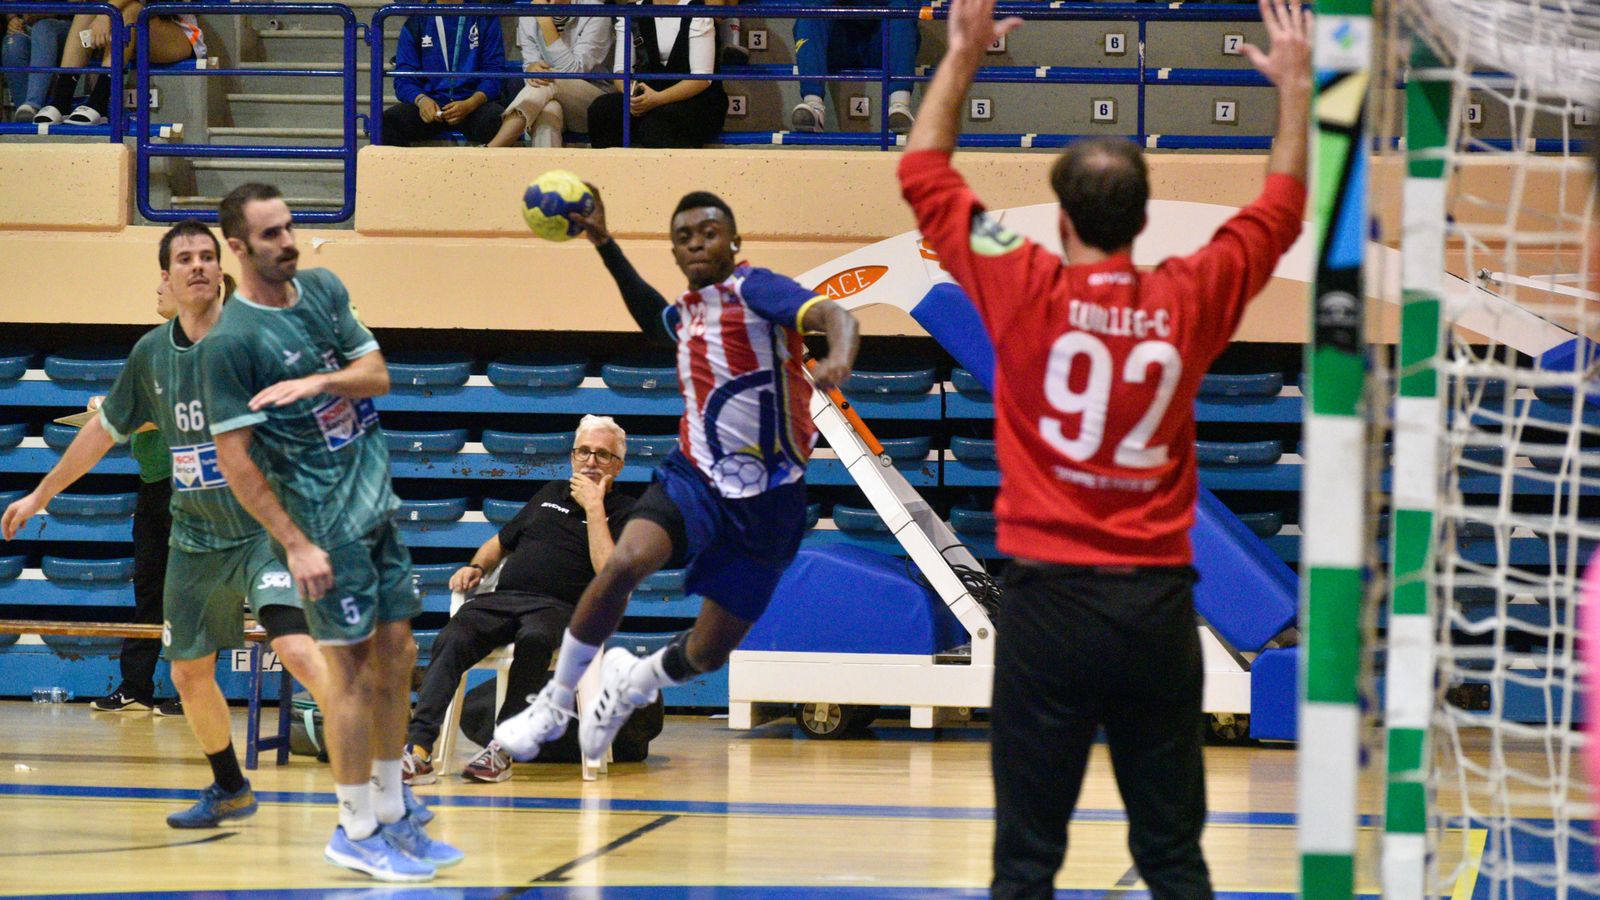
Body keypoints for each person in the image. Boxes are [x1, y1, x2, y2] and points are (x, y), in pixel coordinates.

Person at [896, 0, 1310, 895]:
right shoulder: (1190, 292)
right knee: (1169, 856)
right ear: (1143, 216)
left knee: (1025, 864)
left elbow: (925, 171)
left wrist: (963, 55)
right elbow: (1280, 209)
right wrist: (1296, 91)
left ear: (1060, 216)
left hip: (1047, 611)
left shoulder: (1020, 277)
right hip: (1158, 613)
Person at [494, 184, 859, 765]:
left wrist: (838, 356)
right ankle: (556, 700)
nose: (696, 243)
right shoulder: (686, 316)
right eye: (683, 237)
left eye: (708, 232)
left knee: (709, 653)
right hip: (695, 477)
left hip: (769, 503)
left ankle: (633, 683)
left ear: (734, 241)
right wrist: (605, 242)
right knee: (625, 561)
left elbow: (836, 312)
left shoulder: (755, 289)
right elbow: (648, 313)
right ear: (673, 251)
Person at [0, 221, 335, 829]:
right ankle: (230, 787)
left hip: (262, 530)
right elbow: (103, 432)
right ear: (167, 277)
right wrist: (41, 494)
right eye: (186, 259)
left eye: (208, 256)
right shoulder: (151, 354)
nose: (199, 266)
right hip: (195, 538)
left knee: (297, 651)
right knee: (186, 672)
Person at [202, 183, 459, 881]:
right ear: (239, 247)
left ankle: (391, 812)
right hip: (321, 524)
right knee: (346, 676)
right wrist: (295, 542)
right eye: (269, 235)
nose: (287, 242)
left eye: (289, 228)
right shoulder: (230, 344)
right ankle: (353, 829)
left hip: (375, 507)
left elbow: (376, 375)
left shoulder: (322, 288)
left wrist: (319, 385)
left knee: (399, 655)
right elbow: (235, 462)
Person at [403, 417, 633, 784]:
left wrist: (594, 508)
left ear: (618, 466)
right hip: (504, 599)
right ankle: (417, 751)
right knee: (454, 635)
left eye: (603, 455)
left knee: (537, 638)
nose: (590, 461)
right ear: (573, 457)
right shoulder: (548, 494)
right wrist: (476, 566)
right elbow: (499, 543)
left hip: (562, 609)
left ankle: (502, 749)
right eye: (584, 452)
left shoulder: (624, 512)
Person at [84, 270, 178, 715]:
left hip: (191, 489)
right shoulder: (154, 346)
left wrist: (116, 413)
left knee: (190, 592)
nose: (157, 287)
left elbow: (167, 413)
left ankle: (188, 691)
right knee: (148, 587)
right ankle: (136, 686)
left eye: (166, 279)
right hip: (153, 483)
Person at [32, 0, 202, 125]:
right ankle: (61, 100)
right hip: (129, 33)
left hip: (178, 34)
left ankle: (99, 102)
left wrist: (104, 15)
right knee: (88, 10)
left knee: (131, 10)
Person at [586, 0, 726, 148]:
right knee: (602, 110)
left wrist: (658, 99)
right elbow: (621, 71)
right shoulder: (632, 12)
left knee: (658, 126)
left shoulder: (699, 12)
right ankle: (610, 169)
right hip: (648, 93)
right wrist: (633, 96)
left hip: (695, 100)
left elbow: (702, 79)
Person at [487, 0, 614, 148]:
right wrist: (531, 69)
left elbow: (573, 71)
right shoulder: (529, 15)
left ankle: (491, 149)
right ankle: (545, 169)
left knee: (550, 79)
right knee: (547, 113)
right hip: (545, 99)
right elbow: (530, 67)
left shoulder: (595, 11)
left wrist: (546, 23)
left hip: (594, 106)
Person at [382, 0, 507, 147]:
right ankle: (406, 170)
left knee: (499, 122)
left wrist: (471, 104)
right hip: (431, 104)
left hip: (472, 104)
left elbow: (494, 72)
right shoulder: (417, 20)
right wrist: (421, 100)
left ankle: (485, 169)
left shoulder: (484, 16)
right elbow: (404, 77)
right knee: (387, 123)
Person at [790, 0, 920, 134]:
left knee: (901, 10)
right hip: (837, 44)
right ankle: (814, 107)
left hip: (882, 43)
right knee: (811, 11)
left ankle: (899, 108)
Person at [3, 7, 69, 122]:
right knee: (13, 43)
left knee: (43, 27)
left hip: (69, 27)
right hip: (28, 27)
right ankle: (26, 116)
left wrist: (47, 12)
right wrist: (13, 19)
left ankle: (33, 104)